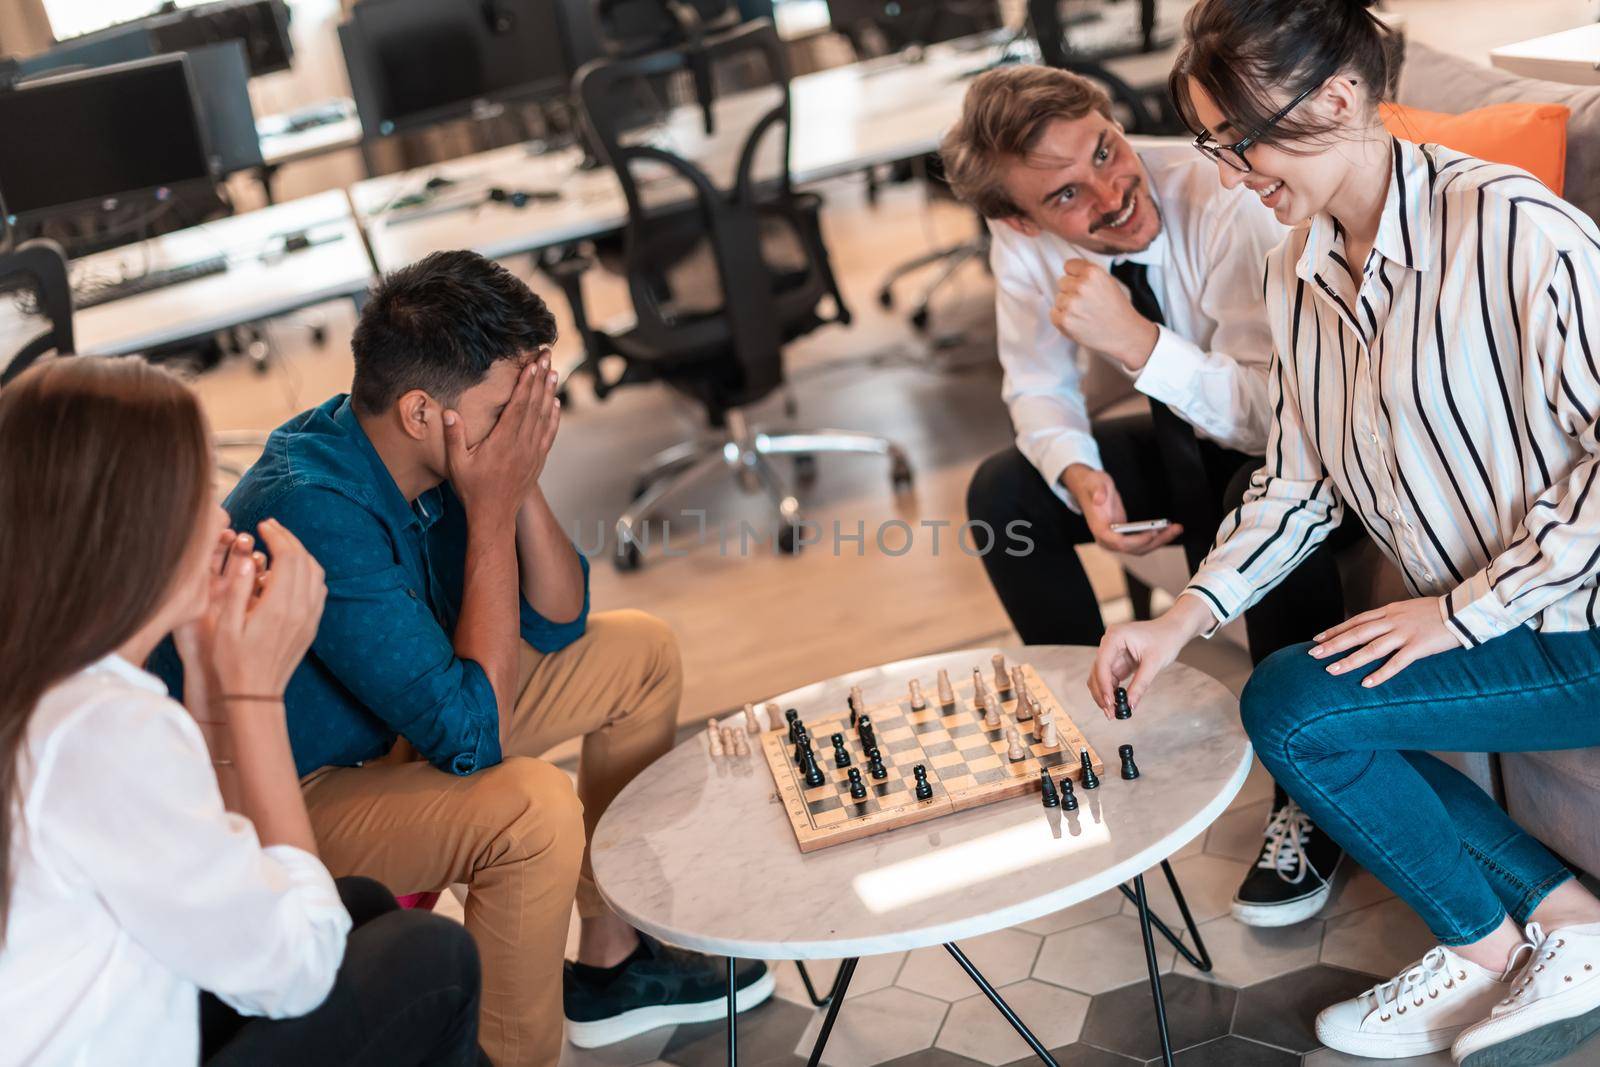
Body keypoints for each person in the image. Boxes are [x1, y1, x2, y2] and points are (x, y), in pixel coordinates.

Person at [1090, 0, 1600, 1060]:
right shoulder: (1294, 269)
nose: (1232, 171)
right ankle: (1556, 923)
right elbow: (1300, 479)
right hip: (1493, 626)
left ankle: (1486, 939)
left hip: (1573, 617)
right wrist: (1183, 616)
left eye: (1245, 138)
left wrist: (1460, 616)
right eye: (1212, 144)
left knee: (1297, 702)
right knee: (1299, 688)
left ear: (1336, 98)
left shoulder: (1513, 230)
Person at [155, 250, 771, 1067]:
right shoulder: (312, 505)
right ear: (420, 412)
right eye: (503, 406)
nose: (519, 423)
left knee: (639, 654)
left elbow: (559, 618)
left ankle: (612, 962)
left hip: (391, 726)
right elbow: (473, 738)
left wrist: (514, 482)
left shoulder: (426, 452)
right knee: (533, 809)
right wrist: (488, 508)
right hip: (285, 800)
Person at [943, 63, 1362, 927]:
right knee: (1005, 494)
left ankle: (1312, 801)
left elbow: (1277, 422)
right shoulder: (1020, 238)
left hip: (1289, 448)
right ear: (1020, 216)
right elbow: (1037, 385)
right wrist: (1081, 475)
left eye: (1107, 149)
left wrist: (1136, 344)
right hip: (1182, 440)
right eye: (1066, 195)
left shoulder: (1230, 197)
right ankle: (1088, 735)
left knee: (1256, 485)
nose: (1111, 191)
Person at [0, 356, 484, 1067]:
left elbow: (228, 861)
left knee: (360, 906)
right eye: (202, 493)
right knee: (430, 957)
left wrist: (209, 675)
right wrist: (256, 695)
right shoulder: (104, 730)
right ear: (142, 530)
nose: (224, 514)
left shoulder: (59, 690)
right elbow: (300, 966)